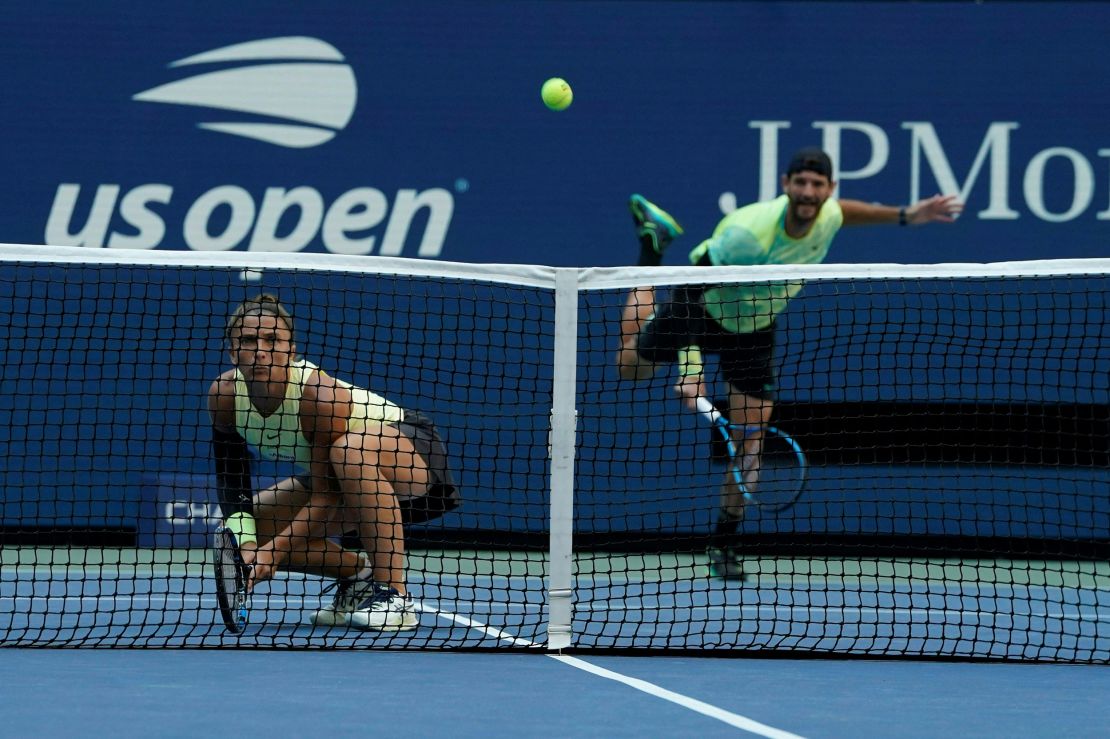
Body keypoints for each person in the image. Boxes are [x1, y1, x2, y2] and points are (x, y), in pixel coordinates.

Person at [616, 147, 962, 580]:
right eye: (800, 183)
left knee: (751, 440)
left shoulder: (828, 213)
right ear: (785, 184)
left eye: (817, 185)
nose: (808, 192)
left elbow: (843, 214)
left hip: (756, 328)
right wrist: (690, 369)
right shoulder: (748, 234)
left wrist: (907, 215)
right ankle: (652, 247)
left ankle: (724, 542)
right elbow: (689, 291)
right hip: (702, 309)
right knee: (631, 366)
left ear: (829, 189)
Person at [208, 293, 459, 630]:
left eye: (273, 340)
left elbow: (324, 498)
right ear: (233, 351)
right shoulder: (225, 396)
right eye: (249, 340)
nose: (261, 350)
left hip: (410, 461)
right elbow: (231, 478)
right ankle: (358, 579)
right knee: (250, 524)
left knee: (347, 451)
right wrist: (251, 544)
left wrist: (274, 553)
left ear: (291, 349)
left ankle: (394, 596)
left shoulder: (318, 395)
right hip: (348, 487)